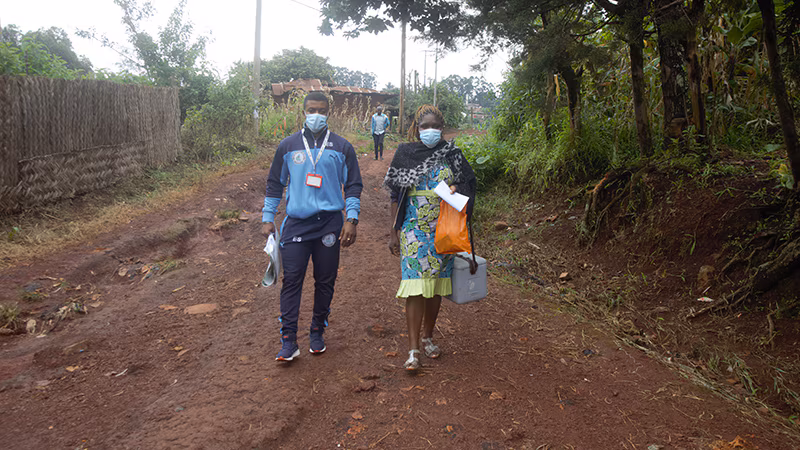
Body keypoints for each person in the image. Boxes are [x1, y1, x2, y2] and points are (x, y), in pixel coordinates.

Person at [262, 91, 363, 362]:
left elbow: (353, 184)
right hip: (296, 223)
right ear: (303, 112)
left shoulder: (342, 147)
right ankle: (288, 341)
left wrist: (351, 218)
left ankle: (317, 331)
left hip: (329, 224)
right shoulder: (288, 146)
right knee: (292, 280)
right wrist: (267, 217)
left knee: (325, 280)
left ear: (329, 112)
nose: (316, 115)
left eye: (321, 110)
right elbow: (275, 183)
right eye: (311, 110)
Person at [384, 105, 476, 370]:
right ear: (417, 128)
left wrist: (456, 187)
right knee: (414, 287)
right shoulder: (405, 153)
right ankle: (413, 350)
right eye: (425, 126)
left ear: (442, 128)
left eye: (435, 126)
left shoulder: (452, 153)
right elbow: (395, 195)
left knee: (435, 287)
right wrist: (393, 231)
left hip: (444, 229)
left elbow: (469, 183)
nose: (430, 130)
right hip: (414, 229)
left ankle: (428, 338)